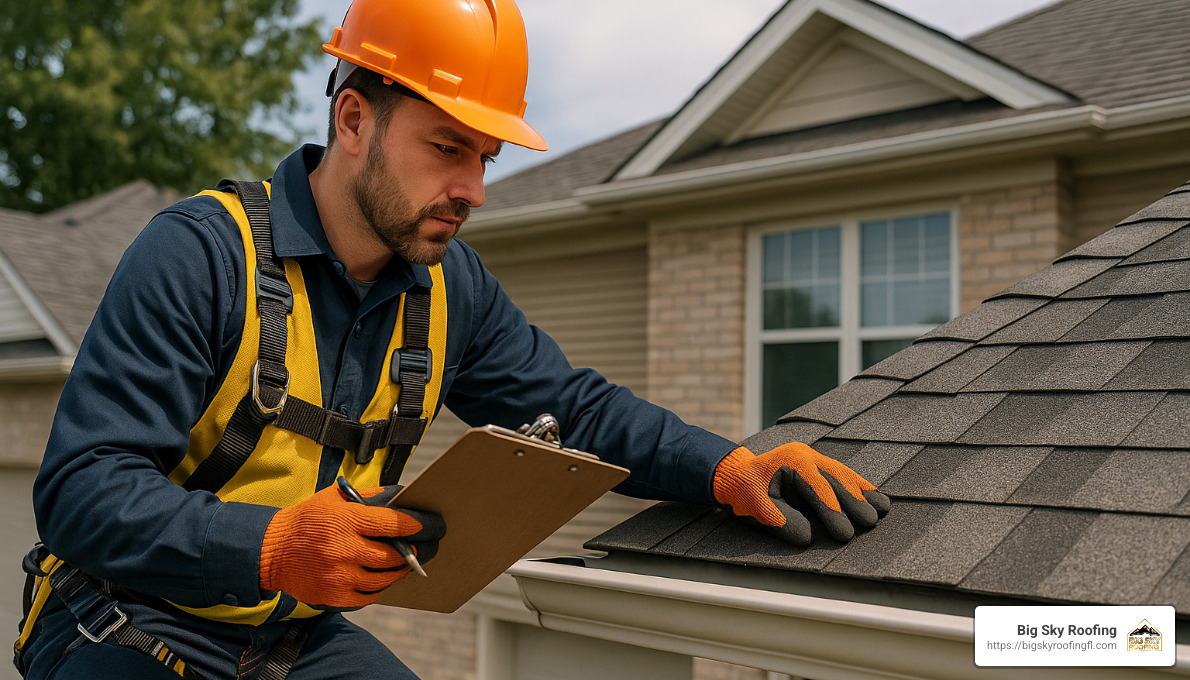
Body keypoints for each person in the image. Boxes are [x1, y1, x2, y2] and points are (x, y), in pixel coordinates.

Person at [16, 1, 890, 678]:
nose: (471, 189)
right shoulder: (201, 254)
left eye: (485, 158)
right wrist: (271, 546)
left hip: (287, 643)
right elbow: (83, 493)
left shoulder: (448, 289)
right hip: (124, 618)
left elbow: (577, 408)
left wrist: (727, 467)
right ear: (353, 120)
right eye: (446, 147)